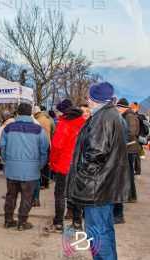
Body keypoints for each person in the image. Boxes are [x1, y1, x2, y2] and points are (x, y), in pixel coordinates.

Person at [66, 82, 131, 260]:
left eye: (89, 98)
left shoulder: (103, 118)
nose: (88, 101)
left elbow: (96, 153)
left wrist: (82, 178)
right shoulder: (112, 114)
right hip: (105, 184)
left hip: (97, 187)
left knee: (97, 234)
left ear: (95, 99)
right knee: (105, 230)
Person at [0, 103, 49, 231]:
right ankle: (22, 221)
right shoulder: (38, 129)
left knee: (11, 194)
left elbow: (1, 147)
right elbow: (45, 150)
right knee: (27, 196)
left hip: (12, 168)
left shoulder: (8, 128)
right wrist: (40, 165)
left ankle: (8, 219)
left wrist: (7, 160)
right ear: (30, 113)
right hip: (31, 169)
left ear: (17, 113)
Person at [44, 103, 86, 233]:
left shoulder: (64, 123)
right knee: (76, 193)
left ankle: (58, 224)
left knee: (60, 194)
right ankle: (77, 223)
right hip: (80, 163)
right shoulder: (84, 123)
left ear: (63, 112)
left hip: (65, 163)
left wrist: (53, 162)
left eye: (58, 111)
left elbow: (57, 146)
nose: (57, 114)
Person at [116, 98, 139, 202]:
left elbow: (131, 132)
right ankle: (130, 196)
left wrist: (122, 142)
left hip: (130, 148)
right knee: (128, 172)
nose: (118, 110)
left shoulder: (129, 116)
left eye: (118, 108)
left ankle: (132, 196)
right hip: (128, 147)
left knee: (129, 173)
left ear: (122, 107)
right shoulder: (127, 115)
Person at [32, 106, 53, 205]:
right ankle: (46, 182)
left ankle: (43, 183)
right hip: (48, 142)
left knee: (41, 167)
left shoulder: (38, 121)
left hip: (42, 144)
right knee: (46, 165)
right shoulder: (46, 119)